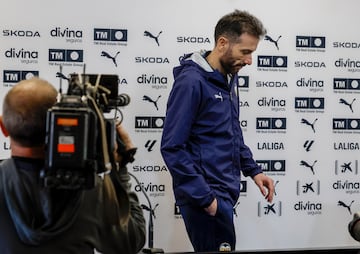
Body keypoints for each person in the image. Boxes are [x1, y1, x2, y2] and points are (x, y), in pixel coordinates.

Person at [160, 10, 275, 252]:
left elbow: (231, 132)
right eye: (245, 52)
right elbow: (172, 147)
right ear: (223, 43)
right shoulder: (191, 82)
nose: (249, 60)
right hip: (207, 198)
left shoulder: (228, 77)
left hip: (222, 193)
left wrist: (253, 171)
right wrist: (206, 199)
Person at [0, 77, 146, 254]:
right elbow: (130, 242)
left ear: (3, 127)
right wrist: (120, 169)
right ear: (56, 124)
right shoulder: (92, 188)